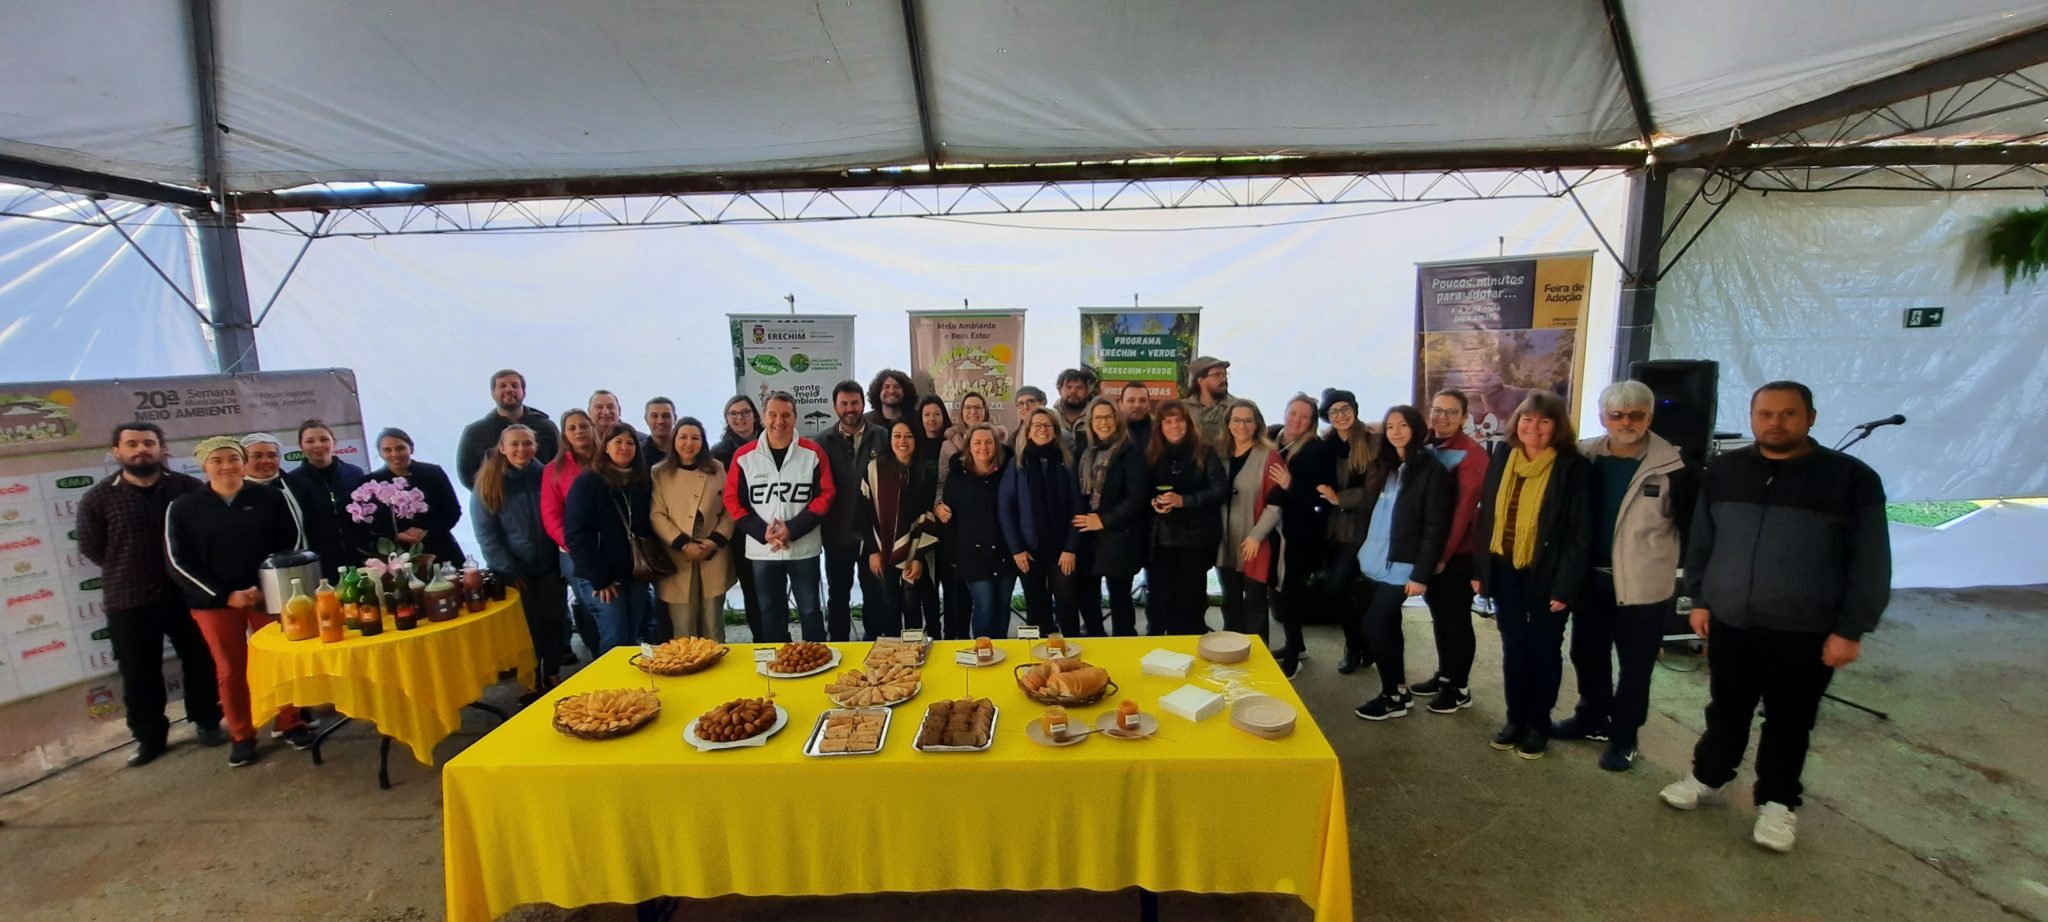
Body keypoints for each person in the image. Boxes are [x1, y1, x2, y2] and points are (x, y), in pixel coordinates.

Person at [1661, 381, 1889, 853]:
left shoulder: (1850, 478)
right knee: (1726, 708)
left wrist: (1851, 628)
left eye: (1788, 414)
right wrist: (1700, 598)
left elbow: (1870, 561)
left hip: (1805, 628)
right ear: (1751, 417)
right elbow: (1702, 541)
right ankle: (1709, 776)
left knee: (1790, 719)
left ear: (1811, 417)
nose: (1775, 423)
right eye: (1765, 413)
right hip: (1732, 620)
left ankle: (1778, 802)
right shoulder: (1724, 471)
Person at [1559, 381, 1699, 770]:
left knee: (1635, 666)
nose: (1625, 422)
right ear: (1603, 417)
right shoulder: (1582, 455)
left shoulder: (1677, 467)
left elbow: (1696, 531)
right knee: (1586, 654)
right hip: (1590, 580)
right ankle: (1591, 718)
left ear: (1649, 417)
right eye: (1616, 415)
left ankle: (1624, 736)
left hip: (1642, 587)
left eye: (1635, 415)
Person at [76, 423, 224, 766]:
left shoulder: (188, 489)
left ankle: (207, 722)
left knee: (201, 660)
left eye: (148, 443)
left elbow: (205, 538)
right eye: (132, 444)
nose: (140, 449)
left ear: (161, 449)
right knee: (139, 672)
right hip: (129, 599)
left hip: (186, 595)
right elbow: (92, 548)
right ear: (117, 452)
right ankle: (149, 739)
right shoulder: (98, 498)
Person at [165, 437, 310, 767]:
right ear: (204, 466)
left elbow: (292, 545)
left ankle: (291, 722)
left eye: (233, 458)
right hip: (214, 604)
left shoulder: (271, 498)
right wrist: (224, 595)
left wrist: (265, 587)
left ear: (242, 463)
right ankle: (242, 734)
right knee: (230, 670)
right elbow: (178, 561)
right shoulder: (184, 506)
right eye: (218, 460)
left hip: (267, 597)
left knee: (280, 661)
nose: (227, 466)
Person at [1472, 391, 1593, 761]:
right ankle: (1515, 719)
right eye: (1527, 419)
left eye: (1544, 420)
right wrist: (1481, 571)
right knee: (1513, 648)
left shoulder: (1574, 467)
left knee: (1543, 649)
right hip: (1505, 568)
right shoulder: (1503, 457)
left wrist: (1565, 587)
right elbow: (1487, 515)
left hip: (1549, 576)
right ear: (1516, 422)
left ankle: (1538, 724)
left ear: (1557, 427)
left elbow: (1580, 533)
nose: (1534, 427)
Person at [1350, 406, 1454, 721]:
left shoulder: (1431, 469)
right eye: (1390, 426)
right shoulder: (1385, 464)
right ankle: (1397, 692)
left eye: (1403, 425)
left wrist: (1422, 573)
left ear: (1417, 428)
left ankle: (1390, 694)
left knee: (1374, 625)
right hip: (1374, 558)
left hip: (1403, 565)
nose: (1395, 431)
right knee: (1389, 626)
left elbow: (1436, 525)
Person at [724, 391, 835, 643]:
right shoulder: (744, 456)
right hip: (763, 551)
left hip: (803, 550)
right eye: (772, 414)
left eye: (786, 415)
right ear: (763, 418)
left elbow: (826, 495)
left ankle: (816, 659)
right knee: (770, 613)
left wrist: (792, 529)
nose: (779, 421)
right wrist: (762, 532)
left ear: (795, 418)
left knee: (809, 611)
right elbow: (732, 500)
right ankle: (777, 664)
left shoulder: (813, 453)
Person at [1410, 388, 1491, 714]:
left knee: (1456, 620)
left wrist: (1441, 556)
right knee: (1440, 615)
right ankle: (1444, 676)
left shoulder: (1471, 454)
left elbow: (1463, 511)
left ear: (1464, 417)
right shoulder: (1428, 445)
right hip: (1432, 551)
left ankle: (1459, 687)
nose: (1441, 417)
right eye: (1437, 410)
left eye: (1451, 412)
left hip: (1457, 555)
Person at [470, 424, 569, 684]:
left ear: (535, 446)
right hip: (515, 571)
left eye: (527, 443)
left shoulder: (548, 476)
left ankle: (552, 674)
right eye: (514, 444)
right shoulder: (489, 483)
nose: (521, 449)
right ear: (502, 448)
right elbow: (486, 535)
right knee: (527, 628)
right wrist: (508, 569)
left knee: (554, 623)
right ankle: (530, 680)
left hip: (550, 567)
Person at [564, 423, 659, 652]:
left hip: (635, 573)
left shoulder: (642, 482)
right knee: (614, 637)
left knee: (631, 634)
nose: (624, 447)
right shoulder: (588, 483)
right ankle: (608, 687)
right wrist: (600, 578)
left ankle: (631, 687)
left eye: (630, 443)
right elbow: (576, 535)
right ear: (605, 447)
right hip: (602, 577)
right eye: (618, 442)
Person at [1142, 399, 1228, 635]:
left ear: (1188, 423)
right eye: (1167, 422)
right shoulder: (1151, 453)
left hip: (1196, 540)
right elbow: (1142, 491)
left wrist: (1184, 501)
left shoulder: (1205, 452)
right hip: (1160, 541)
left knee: (1191, 603)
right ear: (1159, 426)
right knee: (1159, 602)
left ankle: (1189, 650)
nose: (1174, 426)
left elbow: (1220, 490)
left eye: (1179, 420)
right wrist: (1153, 502)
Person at [1266, 394, 1337, 677]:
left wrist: (1290, 484)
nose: (1296, 420)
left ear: (1312, 422)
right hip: (1271, 527)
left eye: (1304, 416)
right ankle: (1296, 644)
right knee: (1277, 590)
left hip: (1297, 532)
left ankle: (1293, 658)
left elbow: (1320, 496)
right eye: (1293, 413)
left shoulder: (1317, 450)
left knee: (1289, 594)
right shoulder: (1272, 437)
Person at [650, 417, 737, 641]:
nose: (689, 443)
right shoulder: (659, 472)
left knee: (713, 624)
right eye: (683, 437)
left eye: (695, 438)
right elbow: (657, 514)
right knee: (683, 626)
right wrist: (682, 544)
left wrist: (715, 540)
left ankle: (717, 669)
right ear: (674, 440)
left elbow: (730, 508)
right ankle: (688, 669)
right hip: (676, 554)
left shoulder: (717, 468)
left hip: (713, 553)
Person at [999, 408, 1084, 636]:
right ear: (1027, 432)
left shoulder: (1067, 463)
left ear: (1055, 432)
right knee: (1036, 605)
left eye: (1047, 425)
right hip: (1029, 550)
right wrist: (1016, 549)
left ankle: (1073, 654)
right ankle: (1039, 657)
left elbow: (1078, 508)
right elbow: (1005, 509)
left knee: (1067, 603)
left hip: (1061, 550)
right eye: (1036, 425)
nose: (1042, 429)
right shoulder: (1016, 465)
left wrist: (1070, 548)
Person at [1072, 397, 1149, 637]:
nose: (1103, 422)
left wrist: (1103, 520)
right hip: (1087, 537)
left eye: (1108, 416)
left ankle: (1123, 644)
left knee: (1119, 597)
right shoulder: (1084, 452)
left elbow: (1137, 498)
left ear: (1117, 420)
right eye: (1097, 417)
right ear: (1090, 422)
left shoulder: (1131, 452)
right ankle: (1096, 640)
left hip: (1119, 536)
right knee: (1086, 595)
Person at [817, 380, 886, 641]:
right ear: (835, 407)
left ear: (863, 404)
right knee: (838, 593)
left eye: (854, 403)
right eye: (844, 403)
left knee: (875, 592)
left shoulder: (882, 436)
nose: (850, 409)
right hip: (838, 532)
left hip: (873, 533)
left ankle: (874, 642)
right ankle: (839, 644)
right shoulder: (823, 441)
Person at [860, 420, 940, 638]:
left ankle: (916, 651)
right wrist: (872, 551)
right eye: (897, 435)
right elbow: (865, 512)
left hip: (917, 550)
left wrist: (918, 558)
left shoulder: (924, 472)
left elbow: (928, 516)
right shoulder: (874, 469)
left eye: (908, 436)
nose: (902, 441)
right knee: (889, 603)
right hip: (882, 547)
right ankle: (895, 651)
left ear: (916, 439)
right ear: (890, 439)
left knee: (913, 599)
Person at [1318, 390, 1378, 673]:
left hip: (1361, 529)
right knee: (1342, 591)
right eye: (1333, 411)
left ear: (1354, 409)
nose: (1340, 415)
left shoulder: (1372, 442)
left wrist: (1340, 499)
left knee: (1340, 586)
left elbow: (1376, 487)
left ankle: (1355, 645)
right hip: (1331, 528)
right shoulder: (1326, 444)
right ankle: (1361, 642)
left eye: (1345, 409)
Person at [1216, 399, 1282, 647]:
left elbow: (1276, 504)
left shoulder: (1270, 456)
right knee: (1230, 599)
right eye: (1236, 420)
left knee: (1255, 602)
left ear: (1257, 424)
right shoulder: (1221, 454)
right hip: (1225, 541)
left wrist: (1256, 535)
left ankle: (1258, 657)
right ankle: (1229, 651)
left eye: (1247, 420)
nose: (1241, 425)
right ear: (1228, 424)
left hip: (1255, 540)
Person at [940, 424, 1013, 638]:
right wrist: (951, 555)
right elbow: (950, 518)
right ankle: (984, 653)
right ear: (969, 447)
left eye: (989, 441)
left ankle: (1002, 650)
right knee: (984, 607)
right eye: (977, 442)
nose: (983, 447)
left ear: (997, 445)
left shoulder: (1008, 471)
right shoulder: (957, 476)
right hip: (971, 554)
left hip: (1005, 552)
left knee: (1003, 606)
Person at [542, 408, 603, 658]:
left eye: (583, 425)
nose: (579, 431)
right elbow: (551, 514)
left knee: (614, 608)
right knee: (591, 606)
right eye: (572, 427)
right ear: (565, 434)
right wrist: (574, 545)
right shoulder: (554, 469)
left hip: (611, 547)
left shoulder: (608, 460)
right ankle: (597, 654)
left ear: (592, 427)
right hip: (574, 551)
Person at [363, 427, 466, 565]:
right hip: (397, 555)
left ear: (411, 448)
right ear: (380, 453)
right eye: (387, 450)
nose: (394, 454)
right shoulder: (371, 482)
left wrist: (426, 532)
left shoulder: (433, 473)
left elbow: (452, 511)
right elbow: (369, 524)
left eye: (400, 448)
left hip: (439, 547)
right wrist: (396, 535)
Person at [287, 418, 368, 580]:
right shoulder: (293, 481)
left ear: (334, 442)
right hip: (320, 564)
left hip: (360, 558)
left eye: (324, 439)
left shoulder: (355, 473)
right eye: (310, 441)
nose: (318, 445)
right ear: (301, 446)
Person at [712, 395, 764, 639]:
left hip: (775, 528)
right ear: (726, 419)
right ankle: (761, 641)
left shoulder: (772, 442)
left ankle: (780, 636)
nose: (740, 418)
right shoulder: (718, 453)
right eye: (733, 413)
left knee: (774, 590)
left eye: (744, 412)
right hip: (741, 532)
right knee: (752, 591)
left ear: (755, 415)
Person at [456, 369, 559, 489]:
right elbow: (466, 475)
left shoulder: (546, 427)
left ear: (524, 392)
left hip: (542, 500)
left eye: (514, 385)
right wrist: (488, 496)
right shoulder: (474, 433)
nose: (509, 389)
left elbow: (559, 464)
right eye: (502, 386)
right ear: (493, 393)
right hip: (496, 503)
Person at [914, 394, 958, 636]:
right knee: (927, 584)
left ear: (944, 416)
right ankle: (932, 631)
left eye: (936, 414)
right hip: (922, 526)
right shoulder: (914, 444)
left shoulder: (952, 444)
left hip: (948, 522)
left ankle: (952, 634)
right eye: (927, 414)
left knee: (951, 583)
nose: (932, 419)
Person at [239, 432, 310, 542]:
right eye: (257, 456)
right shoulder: (232, 493)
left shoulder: (299, 487)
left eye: (272, 455)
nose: (265, 461)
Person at [938, 391, 1008, 488]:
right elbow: (942, 481)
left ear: (985, 411)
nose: (973, 412)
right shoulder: (948, 446)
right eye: (968, 407)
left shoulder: (1000, 441)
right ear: (962, 412)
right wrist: (940, 502)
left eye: (978, 407)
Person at [1186, 356, 1232, 445]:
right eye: (1217, 375)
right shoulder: (1183, 408)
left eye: (1225, 374)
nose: (1224, 379)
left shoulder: (1236, 407)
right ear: (1201, 381)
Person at [1055, 367, 1096, 433]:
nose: (1073, 391)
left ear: (1088, 391)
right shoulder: (1050, 416)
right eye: (1069, 387)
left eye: (1079, 388)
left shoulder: (1096, 415)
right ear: (1059, 390)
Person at [641, 397, 677, 468]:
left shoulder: (686, 451)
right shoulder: (638, 454)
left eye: (666, 416)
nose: (660, 421)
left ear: (675, 418)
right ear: (646, 419)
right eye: (654, 416)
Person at [1118, 382, 1155, 448]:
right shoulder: (1112, 430)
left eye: (1143, 400)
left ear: (1149, 404)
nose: (1137, 405)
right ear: (1121, 404)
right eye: (1131, 400)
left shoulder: (1160, 429)